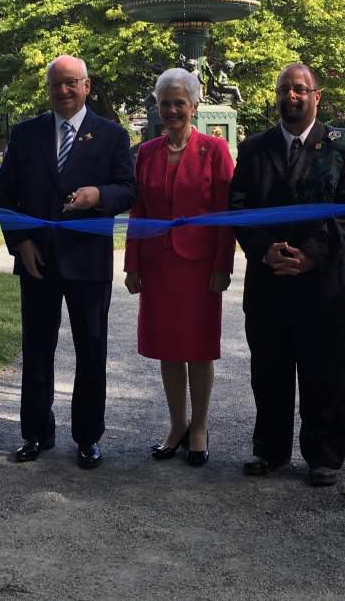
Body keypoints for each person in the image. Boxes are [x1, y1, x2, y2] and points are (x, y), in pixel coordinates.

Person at [0, 55, 135, 469]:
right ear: (48, 88)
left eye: (71, 83)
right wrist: (21, 243)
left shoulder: (111, 135)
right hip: (37, 259)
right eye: (56, 84)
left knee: (91, 350)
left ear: (87, 86)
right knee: (37, 349)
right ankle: (37, 432)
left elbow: (128, 190)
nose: (63, 91)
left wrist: (98, 196)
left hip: (87, 262)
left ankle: (88, 437)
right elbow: (6, 197)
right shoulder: (25, 133)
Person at [229, 63, 345, 486]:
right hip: (268, 281)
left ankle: (323, 456)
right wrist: (264, 251)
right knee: (268, 373)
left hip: (321, 283)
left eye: (300, 89)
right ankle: (269, 451)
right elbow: (238, 206)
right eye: (284, 89)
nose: (291, 96)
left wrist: (309, 256)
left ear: (316, 96)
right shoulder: (255, 147)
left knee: (323, 372)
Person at [124, 68, 234, 467]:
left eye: (179, 103)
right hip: (158, 265)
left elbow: (226, 212)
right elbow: (138, 210)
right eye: (165, 103)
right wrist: (131, 263)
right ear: (157, 105)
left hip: (200, 266)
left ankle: (200, 427)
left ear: (194, 106)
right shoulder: (148, 152)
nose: (172, 110)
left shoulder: (215, 150)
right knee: (167, 347)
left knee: (199, 348)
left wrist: (223, 265)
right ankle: (177, 425)